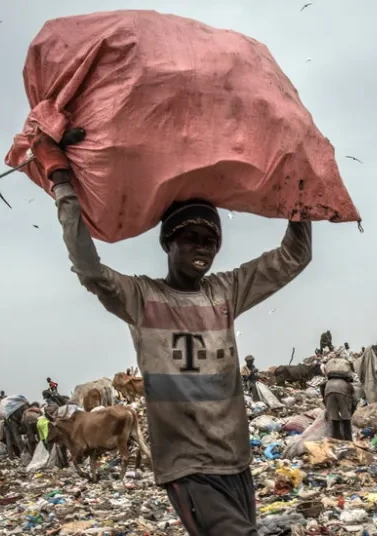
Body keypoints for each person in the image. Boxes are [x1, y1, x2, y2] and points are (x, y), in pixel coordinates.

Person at [43, 138, 313, 536]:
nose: (202, 248)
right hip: (186, 463)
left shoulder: (226, 292)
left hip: (235, 459)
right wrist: (63, 185)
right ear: (168, 242)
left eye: (210, 241)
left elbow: (294, 256)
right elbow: (88, 267)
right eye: (190, 238)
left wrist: (301, 193)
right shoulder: (141, 298)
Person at [320, 358, 355, 441]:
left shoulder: (327, 382)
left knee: (334, 417)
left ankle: (335, 439)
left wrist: (325, 400)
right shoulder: (348, 384)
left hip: (328, 390)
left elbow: (322, 387)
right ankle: (348, 440)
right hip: (342, 391)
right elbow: (353, 399)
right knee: (346, 418)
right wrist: (351, 410)